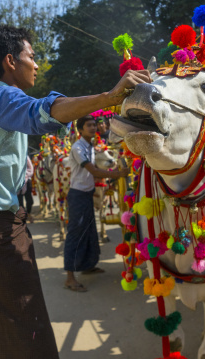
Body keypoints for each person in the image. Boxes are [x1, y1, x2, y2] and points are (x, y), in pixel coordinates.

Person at [0, 24, 151, 359]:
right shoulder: (3, 98)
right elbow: (43, 112)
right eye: (32, 56)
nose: (37, 64)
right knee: (21, 332)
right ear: (11, 61)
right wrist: (109, 97)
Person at [63, 115, 129, 292]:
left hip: (87, 193)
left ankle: (88, 265)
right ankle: (70, 277)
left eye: (94, 125)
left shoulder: (90, 146)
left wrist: (113, 172)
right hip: (77, 195)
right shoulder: (78, 148)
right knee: (75, 233)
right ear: (80, 130)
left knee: (90, 231)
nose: (93, 128)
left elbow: (95, 173)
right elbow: (92, 170)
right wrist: (118, 175)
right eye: (89, 125)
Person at [17, 154, 35, 223]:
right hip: (17, 183)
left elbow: (31, 169)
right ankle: (23, 216)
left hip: (26, 181)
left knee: (30, 201)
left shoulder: (25, 156)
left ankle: (29, 213)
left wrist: (25, 176)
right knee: (19, 201)